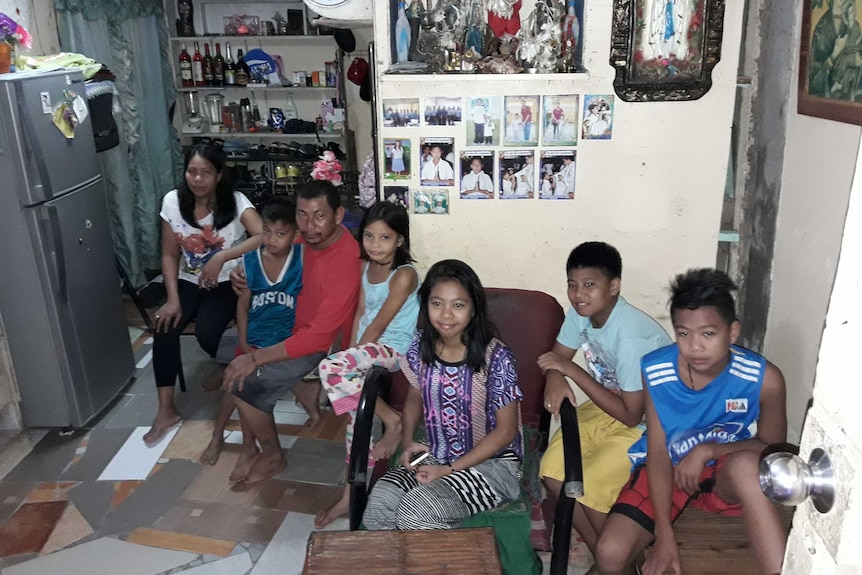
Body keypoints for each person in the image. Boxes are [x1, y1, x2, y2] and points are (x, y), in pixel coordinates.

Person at [593, 269, 788, 575]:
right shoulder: (657, 370)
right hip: (669, 469)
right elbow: (657, 452)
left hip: (726, 475)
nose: (695, 347)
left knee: (747, 465)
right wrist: (664, 536)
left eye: (708, 334)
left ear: (732, 332)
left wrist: (710, 450)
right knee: (609, 552)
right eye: (684, 333)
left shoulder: (764, 379)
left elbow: (771, 451)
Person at [363, 259, 524, 530]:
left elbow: (506, 432)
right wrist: (408, 444)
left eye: (458, 305)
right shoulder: (420, 345)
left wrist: (448, 471)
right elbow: (415, 395)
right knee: (380, 504)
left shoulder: (496, 357)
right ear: (425, 305)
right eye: (437, 303)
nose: (446, 314)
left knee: (416, 512)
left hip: (493, 464)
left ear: (473, 309)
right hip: (436, 450)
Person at [222, 180, 361, 485]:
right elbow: (272, 244)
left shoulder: (344, 261)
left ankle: (272, 455)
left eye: (319, 216)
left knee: (242, 386)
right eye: (302, 215)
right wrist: (243, 270)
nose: (309, 226)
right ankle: (295, 399)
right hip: (285, 326)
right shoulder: (306, 240)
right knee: (240, 363)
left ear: (338, 215)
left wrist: (256, 359)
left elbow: (317, 338)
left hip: (317, 345)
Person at [539, 242, 671, 558]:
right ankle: (607, 558)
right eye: (572, 285)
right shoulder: (580, 314)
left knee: (591, 487)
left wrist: (571, 371)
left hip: (653, 423)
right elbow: (555, 357)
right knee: (553, 473)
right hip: (611, 406)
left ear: (613, 287)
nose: (578, 294)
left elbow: (630, 415)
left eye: (589, 285)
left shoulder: (629, 337)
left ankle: (624, 559)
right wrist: (555, 378)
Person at [145, 143, 263, 446]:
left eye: (206, 173)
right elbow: (169, 254)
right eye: (192, 172)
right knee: (164, 325)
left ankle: (226, 364)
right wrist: (172, 299)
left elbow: (264, 235)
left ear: (219, 175)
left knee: (208, 332)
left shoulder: (235, 202)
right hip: (187, 281)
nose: (197, 179)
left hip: (226, 282)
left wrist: (222, 257)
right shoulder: (172, 202)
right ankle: (165, 409)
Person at [314, 202, 420, 528]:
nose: (375, 245)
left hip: (395, 349)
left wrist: (346, 361)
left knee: (328, 369)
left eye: (385, 238)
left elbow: (379, 325)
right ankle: (350, 496)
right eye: (370, 236)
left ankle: (393, 419)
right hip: (368, 349)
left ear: (400, 240)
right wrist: (350, 354)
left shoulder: (404, 275)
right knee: (354, 423)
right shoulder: (365, 268)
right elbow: (361, 314)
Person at [199, 197, 303, 468]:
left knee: (244, 391)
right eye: (266, 231)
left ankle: (246, 447)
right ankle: (223, 437)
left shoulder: (302, 260)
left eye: (281, 233)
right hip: (252, 340)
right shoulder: (251, 263)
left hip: (279, 345)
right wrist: (244, 343)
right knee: (236, 388)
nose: (271, 239)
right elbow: (242, 306)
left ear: (295, 234)